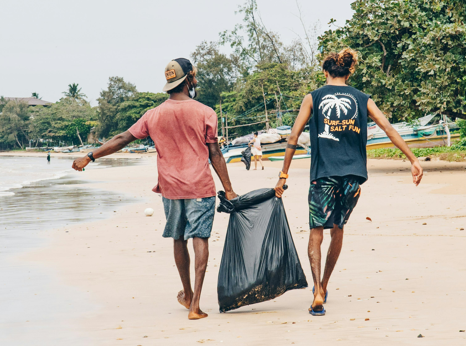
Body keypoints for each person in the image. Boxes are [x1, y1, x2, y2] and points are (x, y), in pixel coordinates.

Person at [71, 58, 237, 320]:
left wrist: (90, 157)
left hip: (171, 188)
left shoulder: (153, 115)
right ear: (190, 78)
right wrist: (229, 190)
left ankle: (188, 294)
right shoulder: (206, 112)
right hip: (199, 186)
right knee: (200, 238)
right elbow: (214, 152)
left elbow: (122, 139)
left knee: (178, 238)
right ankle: (195, 307)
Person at [274, 48, 423, 316]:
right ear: (349, 71)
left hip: (323, 175)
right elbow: (388, 127)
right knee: (338, 229)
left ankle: (318, 291)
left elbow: (294, 137)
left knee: (316, 231)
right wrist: (412, 159)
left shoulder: (313, 97)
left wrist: (283, 175)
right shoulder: (362, 98)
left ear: (325, 71)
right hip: (353, 177)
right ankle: (325, 285)